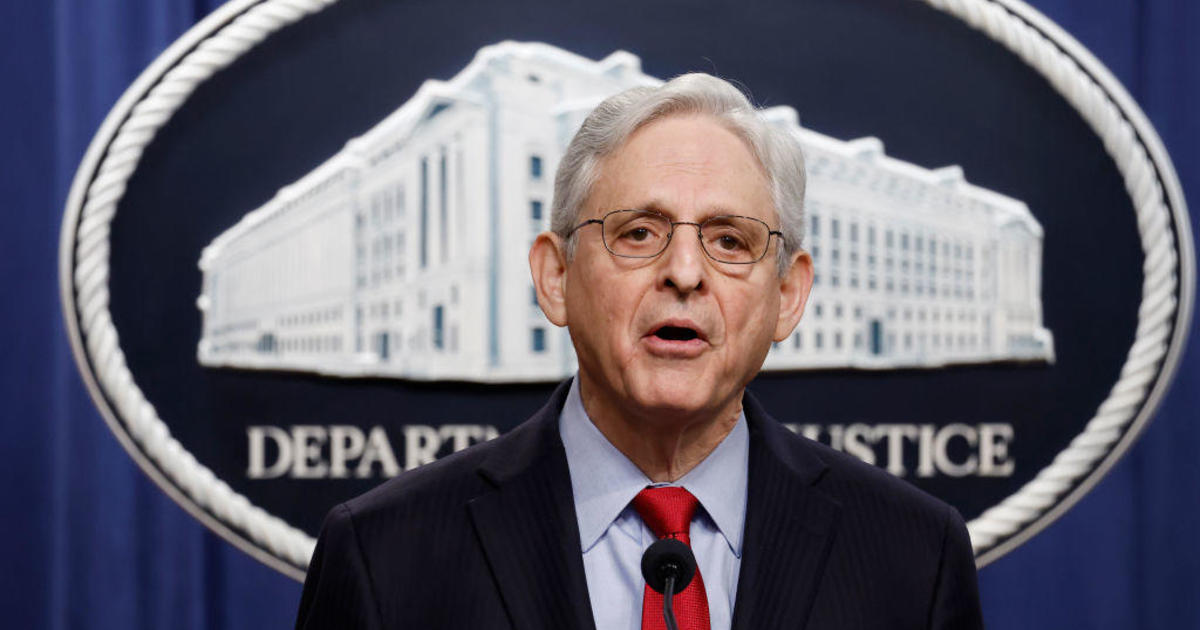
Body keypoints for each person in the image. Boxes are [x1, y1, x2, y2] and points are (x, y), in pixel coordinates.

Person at [295, 73, 983, 630]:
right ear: (556, 278)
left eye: (729, 240)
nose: (684, 273)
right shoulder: (384, 556)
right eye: (638, 233)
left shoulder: (914, 557)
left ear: (787, 295)